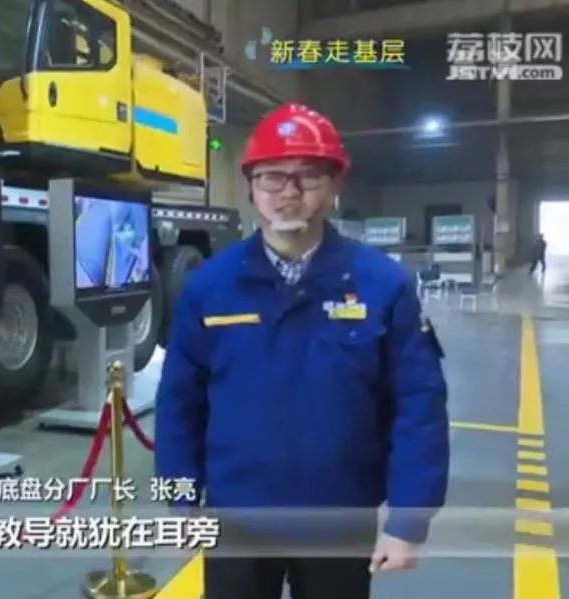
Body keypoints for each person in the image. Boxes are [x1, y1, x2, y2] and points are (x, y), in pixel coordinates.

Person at [155, 102, 450, 599]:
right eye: (272, 177)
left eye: (309, 176)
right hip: (236, 516)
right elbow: (179, 403)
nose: (289, 192)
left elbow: (419, 407)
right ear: (251, 186)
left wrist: (407, 522)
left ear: (335, 186)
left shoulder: (384, 285)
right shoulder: (210, 286)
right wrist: (179, 502)